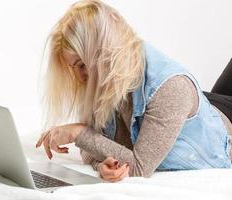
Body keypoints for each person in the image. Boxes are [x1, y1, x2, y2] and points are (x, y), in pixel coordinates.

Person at [35, 0, 232, 182]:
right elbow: (93, 146)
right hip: (196, 108)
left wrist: (78, 133)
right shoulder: (108, 80)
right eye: (74, 67)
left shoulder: (170, 88)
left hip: (219, 117)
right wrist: (103, 164)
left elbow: (139, 167)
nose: (80, 76)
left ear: (103, 52)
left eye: (82, 65)